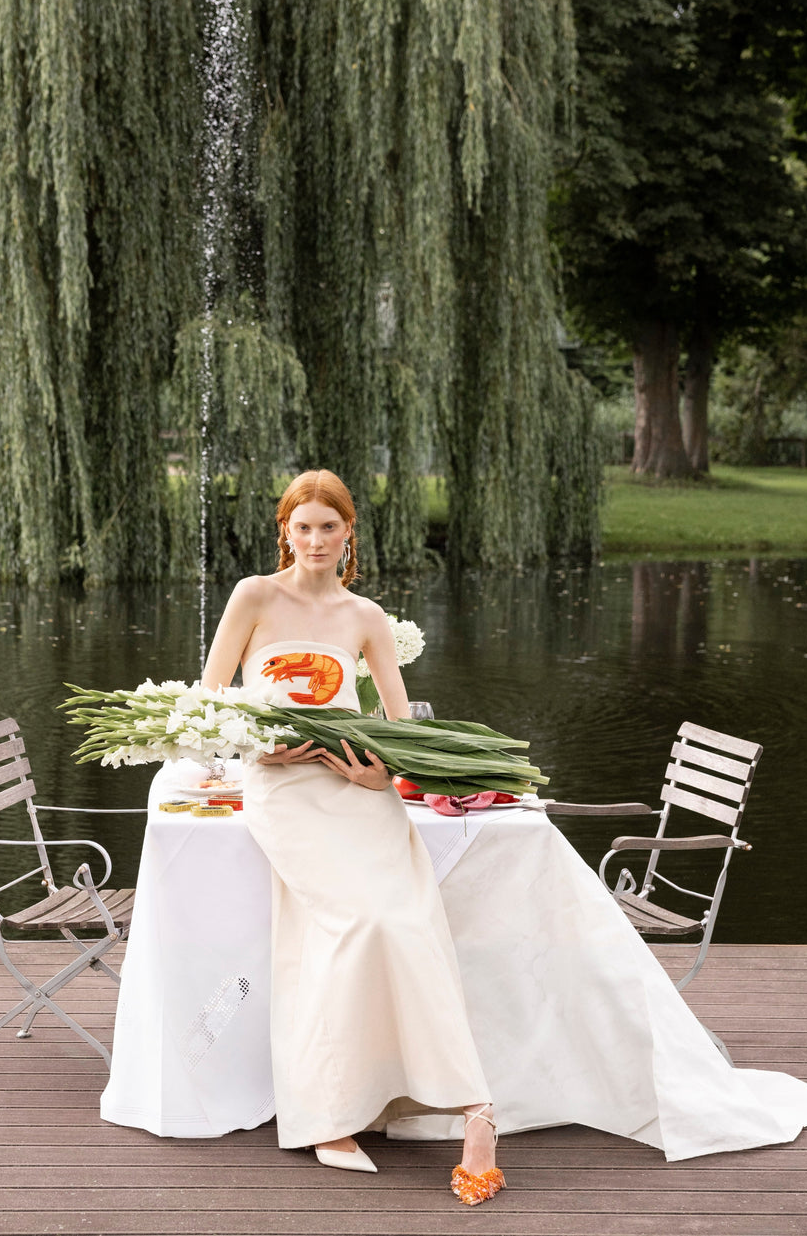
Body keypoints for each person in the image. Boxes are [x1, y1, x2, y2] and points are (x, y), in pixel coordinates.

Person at [201, 468, 505, 1206]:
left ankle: (474, 1108)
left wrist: (382, 775)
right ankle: (329, 1112)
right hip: (285, 792)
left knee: (409, 920)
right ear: (285, 532)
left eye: (327, 527)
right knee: (357, 922)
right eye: (301, 527)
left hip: (357, 795)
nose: (313, 540)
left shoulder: (365, 615)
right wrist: (257, 751)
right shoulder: (253, 597)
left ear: (348, 535)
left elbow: (400, 726)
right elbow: (209, 700)